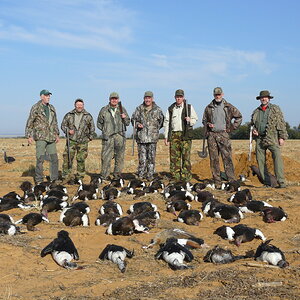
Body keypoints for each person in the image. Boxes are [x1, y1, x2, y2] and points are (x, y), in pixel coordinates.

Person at [202, 87, 242, 188]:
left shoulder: (228, 106)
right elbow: (204, 120)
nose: (217, 96)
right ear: (213, 95)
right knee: (214, 159)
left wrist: (231, 128)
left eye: (219, 94)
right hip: (212, 136)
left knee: (227, 158)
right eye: (216, 95)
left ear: (222, 94)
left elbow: (239, 117)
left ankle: (231, 181)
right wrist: (208, 124)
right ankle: (217, 182)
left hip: (224, 135)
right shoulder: (209, 107)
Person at [251, 90, 288, 188]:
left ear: (269, 98)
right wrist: (254, 131)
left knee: (277, 158)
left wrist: (282, 137)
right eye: (262, 97)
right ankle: (267, 183)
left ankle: (281, 182)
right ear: (260, 99)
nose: (264, 99)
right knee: (260, 160)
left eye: (266, 97)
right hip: (259, 139)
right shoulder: (256, 111)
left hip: (272, 137)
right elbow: (252, 125)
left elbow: (281, 123)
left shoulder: (275, 109)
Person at [25, 89, 59, 184]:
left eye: (49, 96)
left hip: (51, 137)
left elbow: (55, 122)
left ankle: (54, 179)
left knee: (54, 159)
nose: (48, 97)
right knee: (40, 159)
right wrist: (29, 135)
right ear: (41, 96)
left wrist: (57, 134)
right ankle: (39, 180)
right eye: (46, 95)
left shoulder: (52, 108)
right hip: (40, 137)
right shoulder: (36, 107)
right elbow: (30, 121)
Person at [164, 89, 198, 182]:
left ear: (183, 97)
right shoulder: (171, 109)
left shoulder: (189, 107)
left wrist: (190, 120)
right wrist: (166, 136)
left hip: (185, 134)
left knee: (186, 157)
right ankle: (175, 177)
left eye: (180, 97)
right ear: (175, 97)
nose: (179, 98)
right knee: (174, 157)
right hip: (174, 134)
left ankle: (186, 177)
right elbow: (166, 122)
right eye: (177, 97)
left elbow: (195, 119)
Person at [131, 91, 164, 181]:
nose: (147, 100)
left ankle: (150, 175)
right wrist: (137, 124)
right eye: (146, 98)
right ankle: (141, 175)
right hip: (141, 138)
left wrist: (154, 130)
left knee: (151, 158)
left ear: (152, 99)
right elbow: (133, 120)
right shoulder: (139, 109)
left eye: (149, 98)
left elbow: (161, 122)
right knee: (142, 159)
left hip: (152, 138)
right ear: (144, 98)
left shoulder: (158, 109)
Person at [97, 92, 130, 180]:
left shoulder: (122, 109)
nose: (114, 100)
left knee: (119, 157)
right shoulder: (104, 110)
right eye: (112, 99)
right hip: (108, 137)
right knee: (106, 157)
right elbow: (99, 123)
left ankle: (117, 176)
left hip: (120, 136)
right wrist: (106, 130)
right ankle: (104, 176)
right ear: (109, 99)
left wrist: (125, 117)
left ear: (118, 100)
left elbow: (127, 123)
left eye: (116, 99)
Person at [61, 98, 95, 181]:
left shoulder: (88, 116)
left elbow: (92, 128)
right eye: (78, 105)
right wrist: (68, 131)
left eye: (81, 105)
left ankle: (80, 177)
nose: (79, 106)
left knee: (81, 159)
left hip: (83, 141)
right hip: (71, 141)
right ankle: (66, 176)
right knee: (68, 158)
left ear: (83, 105)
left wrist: (90, 137)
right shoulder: (69, 115)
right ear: (75, 105)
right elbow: (63, 125)